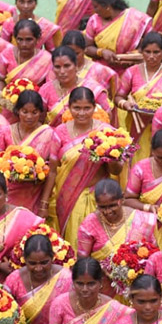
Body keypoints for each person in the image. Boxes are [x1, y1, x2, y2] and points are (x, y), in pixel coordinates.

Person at [51, 87, 118, 240]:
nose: (82, 113)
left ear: (94, 108)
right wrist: (44, 202)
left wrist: (112, 156)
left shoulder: (106, 132)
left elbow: (116, 171)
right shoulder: (60, 132)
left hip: (98, 197)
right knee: (72, 239)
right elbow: (53, 169)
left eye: (87, 108)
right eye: (77, 108)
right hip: (66, 197)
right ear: (69, 108)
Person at [0, 90, 59, 216]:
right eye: (25, 112)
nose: (29, 117)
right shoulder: (4, 133)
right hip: (8, 195)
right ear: (17, 111)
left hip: (35, 195)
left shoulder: (49, 134)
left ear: (40, 112)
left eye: (34, 112)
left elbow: (52, 172)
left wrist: (44, 204)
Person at [114, 33, 162, 164]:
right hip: (135, 125)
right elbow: (118, 96)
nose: (152, 56)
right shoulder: (131, 72)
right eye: (147, 52)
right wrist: (125, 105)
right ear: (141, 52)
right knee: (134, 162)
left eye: (156, 52)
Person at [77, 179, 158, 261]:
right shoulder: (89, 223)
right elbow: (82, 260)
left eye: (112, 206)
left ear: (122, 199)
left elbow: (155, 256)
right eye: (102, 207)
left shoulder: (142, 219)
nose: (107, 211)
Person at [83, 0, 151, 76]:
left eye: (96, 7)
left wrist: (135, 54)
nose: (94, 11)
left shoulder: (136, 18)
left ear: (107, 6)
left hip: (131, 71)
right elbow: (87, 48)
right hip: (102, 73)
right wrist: (102, 52)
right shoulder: (94, 21)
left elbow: (152, 41)